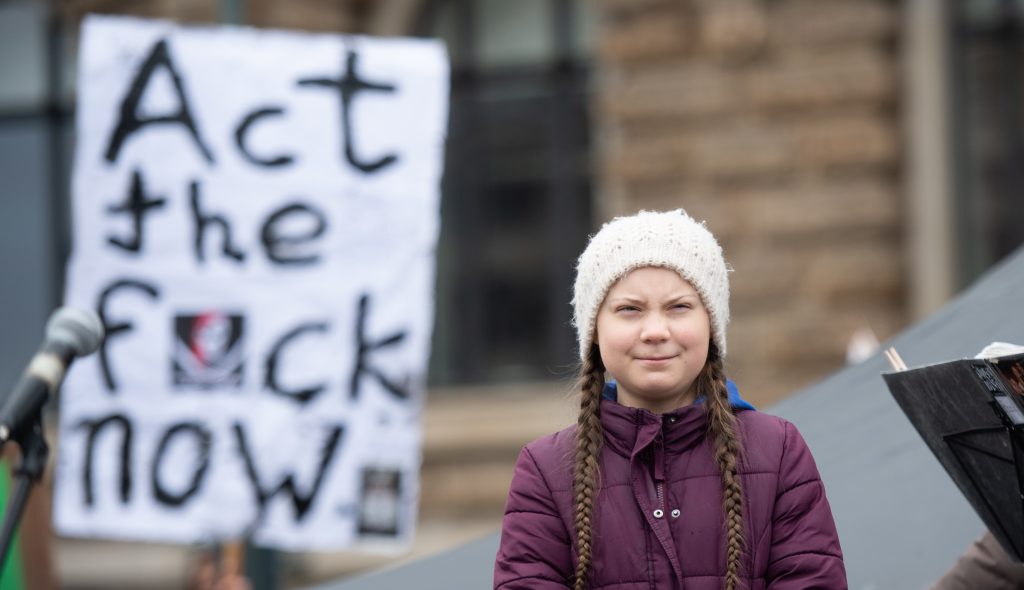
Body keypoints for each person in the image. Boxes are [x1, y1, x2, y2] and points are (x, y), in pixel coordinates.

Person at [493, 210, 846, 590]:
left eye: (679, 307)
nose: (656, 331)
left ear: (711, 324)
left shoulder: (777, 451)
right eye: (629, 310)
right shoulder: (546, 470)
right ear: (595, 329)